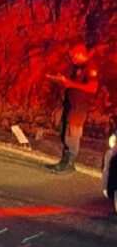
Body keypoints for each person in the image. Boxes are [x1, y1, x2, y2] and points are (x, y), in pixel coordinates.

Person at [45, 43, 99, 173]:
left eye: (73, 56)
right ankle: (64, 161)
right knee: (65, 132)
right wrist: (62, 80)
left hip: (79, 108)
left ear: (81, 53)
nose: (71, 59)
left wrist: (70, 83)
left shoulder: (90, 67)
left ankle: (69, 164)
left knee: (72, 134)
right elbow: (74, 83)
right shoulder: (77, 67)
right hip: (70, 104)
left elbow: (92, 88)